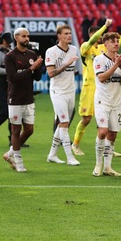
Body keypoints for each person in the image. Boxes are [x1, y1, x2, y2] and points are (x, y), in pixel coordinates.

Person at [72, 19, 121, 156]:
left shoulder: (105, 49)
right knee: (86, 119)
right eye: (97, 34)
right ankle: (75, 144)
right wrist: (105, 26)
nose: (98, 36)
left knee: (106, 122)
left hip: (104, 88)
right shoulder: (86, 47)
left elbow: (119, 42)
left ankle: (107, 148)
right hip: (89, 87)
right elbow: (93, 40)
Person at [92, 32, 121, 177]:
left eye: (117, 41)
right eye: (113, 41)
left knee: (113, 134)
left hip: (116, 102)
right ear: (106, 44)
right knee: (103, 132)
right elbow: (102, 78)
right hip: (102, 101)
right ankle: (98, 165)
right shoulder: (99, 59)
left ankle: (107, 167)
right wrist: (116, 64)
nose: (116, 43)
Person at [3, 28, 43, 172]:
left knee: (29, 130)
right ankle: (18, 160)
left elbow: (37, 77)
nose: (27, 38)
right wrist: (31, 68)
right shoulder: (10, 56)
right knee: (15, 130)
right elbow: (12, 78)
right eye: (24, 36)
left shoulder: (32, 54)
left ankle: (10, 153)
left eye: (28, 36)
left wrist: (38, 67)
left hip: (28, 98)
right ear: (16, 38)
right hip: (15, 98)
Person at [45, 25, 81, 166]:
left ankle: (52, 155)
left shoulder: (74, 49)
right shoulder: (51, 51)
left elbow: (72, 71)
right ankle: (69, 157)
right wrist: (67, 64)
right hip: (58, 92)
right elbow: (51, 73)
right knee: (64, 123)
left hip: (71, 91)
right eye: (65, 33)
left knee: (62, 124)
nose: (69, 36)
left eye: (70, 33)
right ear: (59, 36)